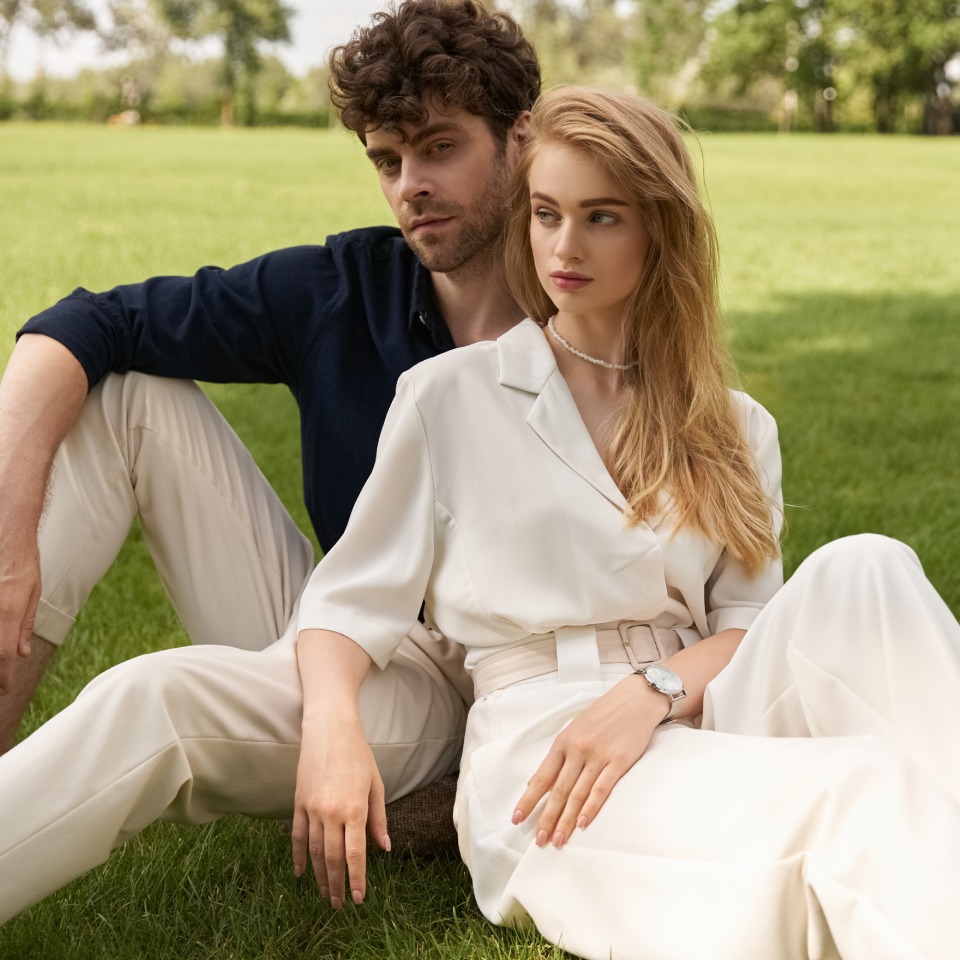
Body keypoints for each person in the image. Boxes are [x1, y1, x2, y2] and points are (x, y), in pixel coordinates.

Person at [291, 86, 960, 958]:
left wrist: (650, 695)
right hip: (550, 751)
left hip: (693, 706)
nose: (564, 247)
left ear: (660, 232)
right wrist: (331, 731)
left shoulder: (733, 422)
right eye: (545, 214)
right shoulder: (447, 397)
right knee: (863, 787)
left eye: (601, 217)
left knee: (867, 565)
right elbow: (347, 602)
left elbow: (750, 627)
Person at [0, 0, 539, 842]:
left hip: (477, 692)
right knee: (130, 396)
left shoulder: (589, 312)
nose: (411, 187)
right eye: (387, 160)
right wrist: (8, 543)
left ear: (522, 138)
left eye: (440, 147)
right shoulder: (345, 288)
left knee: (158, 699)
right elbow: (84, 323)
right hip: (343, 635)